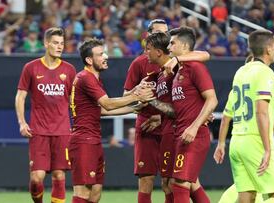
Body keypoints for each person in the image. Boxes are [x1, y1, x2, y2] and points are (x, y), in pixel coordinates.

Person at [123, 19, 211, 203]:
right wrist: (132, 102)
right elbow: (130, 97)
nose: (165, 37)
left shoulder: (182, 64)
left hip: (178, 129)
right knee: (158, 180)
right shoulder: (147, 67)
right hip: (152, 128)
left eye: (168, 35)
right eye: (160, 33)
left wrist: (201, 113)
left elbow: (205, 55)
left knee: (182, 181)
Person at [69, 38, 154, 203]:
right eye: (100, 54)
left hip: (92, 139)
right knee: (83, 193)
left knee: (95, 193)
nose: (105, 56)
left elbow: (101, 110)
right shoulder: (86, 77)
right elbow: (107, 103)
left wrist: (134, 108)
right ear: (88, 60)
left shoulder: (93, 79)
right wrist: (136, 96)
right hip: (83, 141)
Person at [218, 30, 274, 203]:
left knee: (246, 198)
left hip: (237, 141)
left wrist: (221, 143)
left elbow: (228, 114)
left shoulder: (241, 72)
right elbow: (261, 112)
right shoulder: (265, 73)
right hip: (256, 142)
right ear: (267, 49)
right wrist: (267, 149)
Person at [150, 27, 218, 203]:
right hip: (180, 134)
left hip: (193, 135)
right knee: (186, 183)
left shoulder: (196, 67)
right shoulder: (178, 70)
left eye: (173, 43)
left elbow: (212, 100)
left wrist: (195, 126)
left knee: (180, 184)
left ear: (185, 45)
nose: (169, 47)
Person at [15, 27, 76, 203]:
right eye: (56, 43)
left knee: (59, 176)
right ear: (46, 43)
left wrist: (77, 123)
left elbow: (75, 101)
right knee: (37, 178)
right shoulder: (31, 68)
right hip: (39, 132)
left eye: (62, 43)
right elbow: (20, 96)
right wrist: (21, 122)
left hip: (63, 131)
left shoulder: (69, 70)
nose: (59, 47)